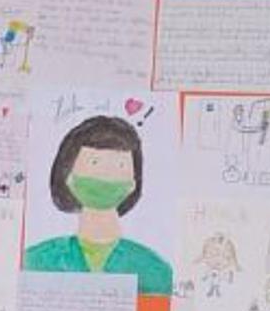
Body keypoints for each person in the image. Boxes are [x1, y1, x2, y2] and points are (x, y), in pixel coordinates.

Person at [23, 115, 173, 295]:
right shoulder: (36, 261)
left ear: (133, 184)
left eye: (120, 165)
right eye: (94, 162)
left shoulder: (155, 270)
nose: (106, 175)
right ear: (68, 177)